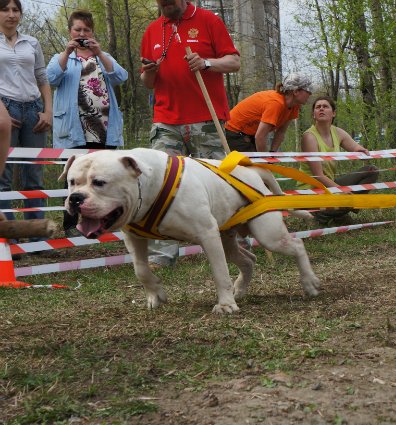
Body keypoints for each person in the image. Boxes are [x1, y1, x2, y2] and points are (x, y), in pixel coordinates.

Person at [140, 0, 240, 266]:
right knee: (161, 183)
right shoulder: (153, 30)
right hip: (166, 119)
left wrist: (206, 62)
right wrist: (150, 73)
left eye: (170, 3)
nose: (166, 7)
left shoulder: (209, 20)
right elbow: (147, 82)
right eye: (161, 3)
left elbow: (234, 62)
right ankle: (162, 254)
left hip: (206, 118)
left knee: (219, 182)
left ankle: (234, 246)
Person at [47, 9, 128, 237]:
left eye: (86, 30)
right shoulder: (62, 57)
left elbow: (121, 77)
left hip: (103, 128)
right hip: (75, 129)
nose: (82, 34)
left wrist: (99, 52)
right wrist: (67, 51)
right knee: (74, 178)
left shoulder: (102, 57)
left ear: (92, 32)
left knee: (102, 178)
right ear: (70, 31)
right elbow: (52, 77)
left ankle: (102, 224)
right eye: (77, 29)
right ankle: (71, 225)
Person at [0, 0, 52, 229]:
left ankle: (36, 236)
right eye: (5, 9)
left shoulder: (32, 42)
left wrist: (48, 111)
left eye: (15, 10)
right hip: (4, 108)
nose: (11, 15)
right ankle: (9, 236)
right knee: (3, 176)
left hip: (33, 109)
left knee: (34, 176)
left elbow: (42, 76)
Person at [299, 96, 378, 225]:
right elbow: (318, 175)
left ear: (333, 113)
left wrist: (360, 149)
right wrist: (342, 191)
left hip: (330, 184)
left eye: (325, 106)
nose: (321, 109)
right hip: (312, 191)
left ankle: (340, 212)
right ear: (314, 114)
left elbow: (355, 147)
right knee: (347, 197)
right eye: (318, 107)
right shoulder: (309, 137)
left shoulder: (337, 132)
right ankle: (319, 215)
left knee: (372, 171)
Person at [224, 73, 313, 152]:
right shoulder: (276, 103)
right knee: (255, 168)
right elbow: (260, 137)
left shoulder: (294, 105)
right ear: (296, 91)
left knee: (260, 166)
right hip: (233, 131)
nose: (310, 94)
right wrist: (265, 160)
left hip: (249, 134)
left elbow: (281, 132)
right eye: (308, 91)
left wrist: (273, 153)